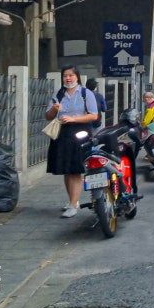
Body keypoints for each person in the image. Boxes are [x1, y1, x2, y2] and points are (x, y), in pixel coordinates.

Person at [45, 65, 98, 217]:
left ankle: (74, 205)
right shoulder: (59, 94)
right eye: (65, 76)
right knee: (66, 169)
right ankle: (71, 201)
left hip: (80, 132)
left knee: (75, 169)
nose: (68, 78)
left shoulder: (85, 93)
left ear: (77, 77)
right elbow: (48, 116)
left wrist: (74, 118)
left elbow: (94, 115)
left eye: (71, 75)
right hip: (62, 133)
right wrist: (55, 110)